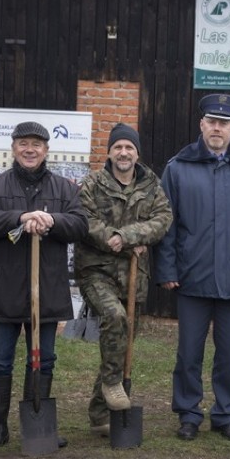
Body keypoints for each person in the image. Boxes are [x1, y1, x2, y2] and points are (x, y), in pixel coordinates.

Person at [156, 93, 230, 442]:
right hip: (192, 278)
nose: (217, 128)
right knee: (188, 353)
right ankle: (188, 413)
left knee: (229, 355)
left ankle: (225, 415)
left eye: (224, 123)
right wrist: (167, 270)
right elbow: (167, 225)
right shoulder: (178, 168)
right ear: (201, 124)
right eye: (212, 121)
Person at [0, 121, 88, 451]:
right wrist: (21, 218)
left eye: (36, 144)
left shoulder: (65, 189)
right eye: (23, 143)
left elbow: (80, 224)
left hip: (47, 288)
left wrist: (52, 220)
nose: (29, 149)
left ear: (46, 150)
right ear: (13, 148)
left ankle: (35, 423)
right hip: (5, 287)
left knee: (43, 359)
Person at [74, 123, 173, 437]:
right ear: (110, 152)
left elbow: (163, 219)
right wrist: (111, 240)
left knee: (120, 342)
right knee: (115, 319)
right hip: (97, 271)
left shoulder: (151, 185)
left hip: (134, 275)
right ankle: (114, 386)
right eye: (118, 147)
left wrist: (127, 236)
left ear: (137, 153)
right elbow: (84, 219)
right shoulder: (93, 184)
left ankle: (99, 414)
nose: (123, 152)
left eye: (129, 147)